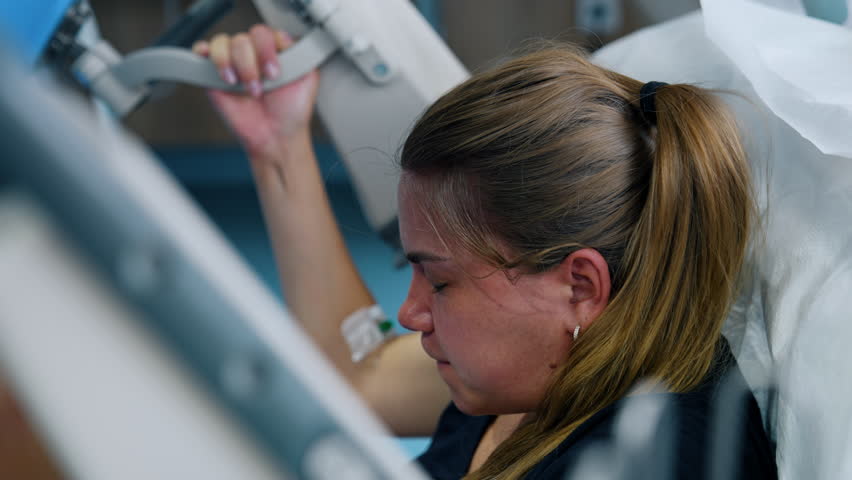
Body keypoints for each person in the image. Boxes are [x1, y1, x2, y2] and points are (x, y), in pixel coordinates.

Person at [192, 25, 778, 479]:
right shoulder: (542, 369)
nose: (411, 313)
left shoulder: (656, 455)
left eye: (439, 282)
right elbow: (360, 376)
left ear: (579, 287)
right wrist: (278, 145)